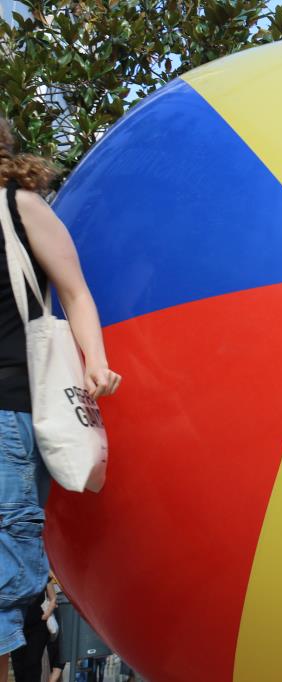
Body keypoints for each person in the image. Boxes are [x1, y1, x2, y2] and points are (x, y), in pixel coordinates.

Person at [0, 118, 122, 679]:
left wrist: (95, 363)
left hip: (10, 407)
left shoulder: (19, 207)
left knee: (8, 565)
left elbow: (75, 292)